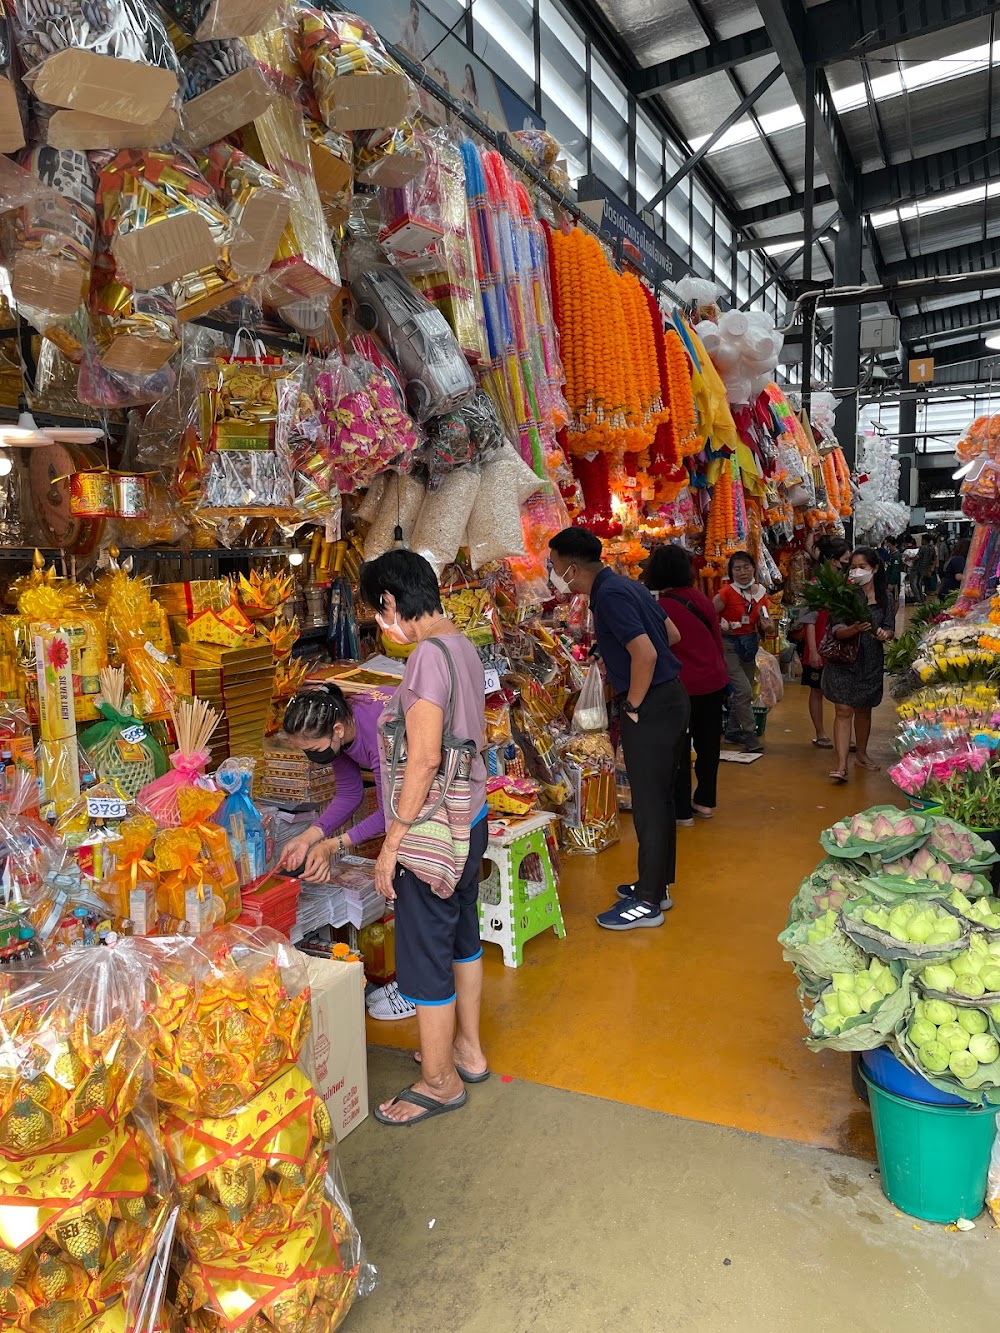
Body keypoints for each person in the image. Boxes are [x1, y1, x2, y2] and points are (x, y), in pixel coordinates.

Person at [359, 548, 489, 1126]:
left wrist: (393, 843)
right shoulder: (460, 644)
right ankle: (467, 1050)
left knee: (423, 954)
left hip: (434, 829)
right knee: (463, 937)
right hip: (472, 818)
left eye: (378, 613)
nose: (382, 625)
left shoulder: (424, 660)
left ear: (391, 602)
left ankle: (438, 1081)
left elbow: (426, 757)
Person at [548, 527, 688, 931]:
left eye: (555, 567)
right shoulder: (629, 586)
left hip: (653, 705)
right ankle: (655, 886)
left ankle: (647, 903)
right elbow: (671, 635)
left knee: (649, 804)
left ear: (572, 568)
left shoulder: (607, 596)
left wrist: (634, 703)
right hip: (672, 698)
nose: (554, 573)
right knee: (658, 799)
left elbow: (644, 652)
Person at [641, 544, 727, 822]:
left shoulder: (662, 607)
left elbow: (655, 650)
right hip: (713, 680)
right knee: (708, 743)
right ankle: (705, 801)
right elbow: (716, 639)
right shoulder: (701, 599)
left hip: (683, 686)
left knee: (677, 747)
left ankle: (681, 811)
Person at [278, 683, 387, 881]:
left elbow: (388, 814)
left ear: (338, 730)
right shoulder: (339, 727)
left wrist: (332, 845)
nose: (312, 757)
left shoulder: (378, 735)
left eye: (315, 749)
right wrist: (307, 838)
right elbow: (349, 794)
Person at [822, 546, 894, 784]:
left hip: (871, 660)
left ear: (874, 568)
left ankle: (861, 754)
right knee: (843, 710)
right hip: (844, 659)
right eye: (852, 567)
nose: (856, 572)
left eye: (862, 567)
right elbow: (836, 630)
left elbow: (890, 627)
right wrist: (853, 629)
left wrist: (885, 633)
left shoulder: (886, 597)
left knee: (864, 709)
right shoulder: (843, 594)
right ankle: (841, 765)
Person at [713, 551, 772, 754]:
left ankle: (731, 731)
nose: (742, 572)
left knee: (744, 690)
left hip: (749, 644)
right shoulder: (726, 593)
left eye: (746, 567)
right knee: (744, 690)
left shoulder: (761, 593)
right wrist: (722, 625)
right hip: (729, 644)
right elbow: (709, 616)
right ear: (731, 572)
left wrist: (767, 626)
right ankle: (749, 734)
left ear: (753, 568)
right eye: (737, 568)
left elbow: (767, 622)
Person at [795, 536, 850, 750]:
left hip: (843, 646)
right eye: (846, 558)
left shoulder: (848, 585)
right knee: (816, 690)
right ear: (835, 561)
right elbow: (809, 621)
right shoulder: (815, 585)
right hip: (818, 645)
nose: (849, 562)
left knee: (844, 691)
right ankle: (820, 733)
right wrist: (813, 652)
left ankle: (844, 733)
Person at [914, 534, 937, 601]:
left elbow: (917, 557)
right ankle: (926, 594)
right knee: (928, 580)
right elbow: (934, 558)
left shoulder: (923, 548)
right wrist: (932, 566)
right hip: (928, 567)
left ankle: (920, 598)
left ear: (924, 540)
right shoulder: (932, 548)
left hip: (920, 567)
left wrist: (910, 558)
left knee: (919, 583)